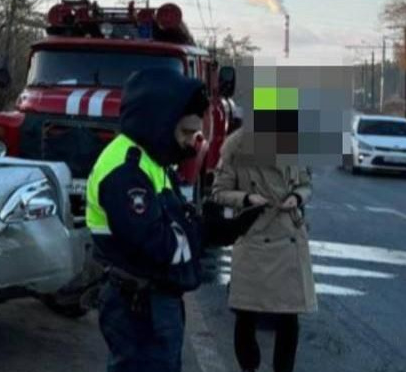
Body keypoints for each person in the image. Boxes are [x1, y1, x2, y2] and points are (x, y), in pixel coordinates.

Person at [86, 67, 209, 372]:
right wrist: (195, 236)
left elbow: (178, 223)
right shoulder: (126, 169)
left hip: (150, 303)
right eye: (183, 133)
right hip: (138, 306)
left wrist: (216, 226)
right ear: (159, 123)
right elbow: (157, 244)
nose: (188, 144)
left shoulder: (152, 160)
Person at [210, 119, 317, 372]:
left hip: (289, 236)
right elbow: (218, 191)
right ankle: (249, 367)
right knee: (246, 313)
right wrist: (247, 198)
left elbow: (306, 184)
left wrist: (296, 196)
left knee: (289, 318)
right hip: (254, 236)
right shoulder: (235, 147)